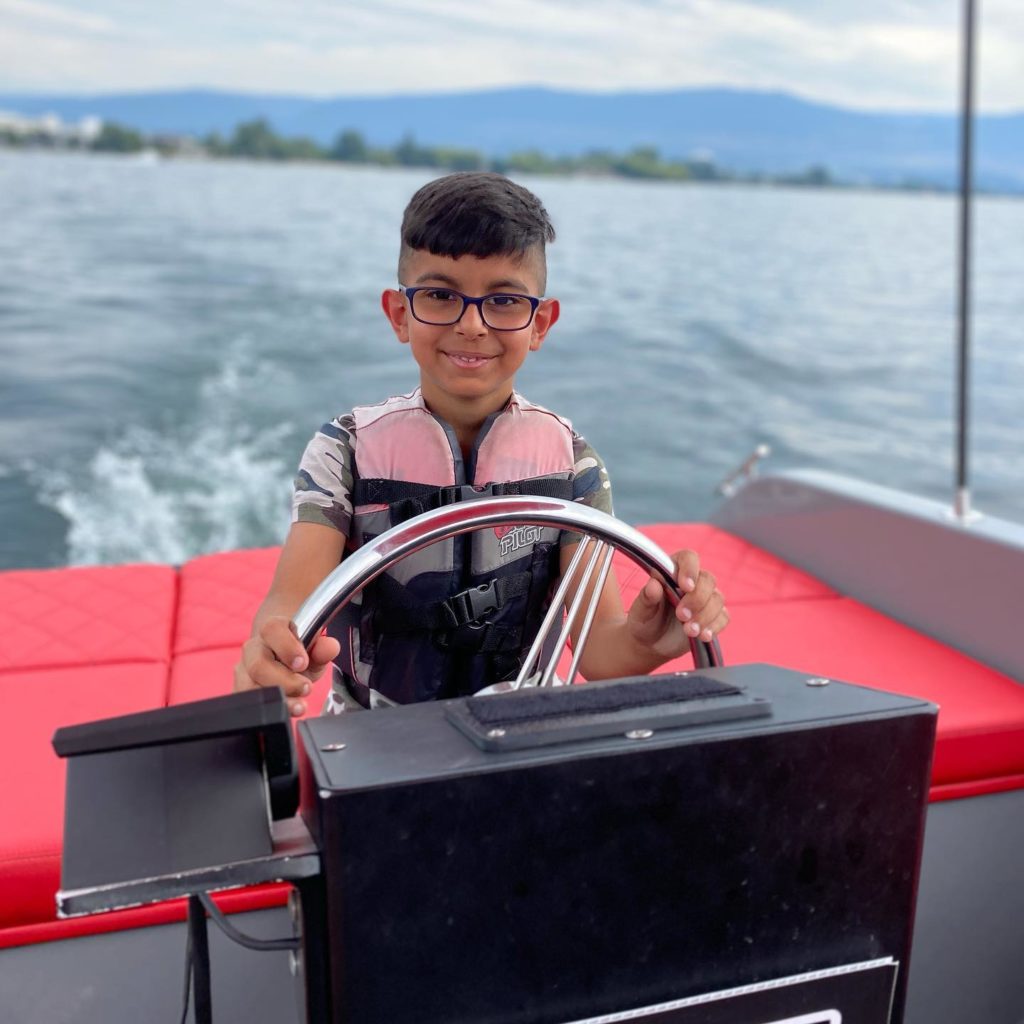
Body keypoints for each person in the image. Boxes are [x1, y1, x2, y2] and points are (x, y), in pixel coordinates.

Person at [234, 171, 728, 716]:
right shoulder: (343, 453)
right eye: (440, 295)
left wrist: (649, 639)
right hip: (371, 734)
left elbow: (601, 653)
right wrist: (272, 651)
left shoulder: (573, 466)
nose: (472, 324)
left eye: (505, 301)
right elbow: (289, 605)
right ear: (399, 314)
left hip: (521, 733)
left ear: (540, 324)